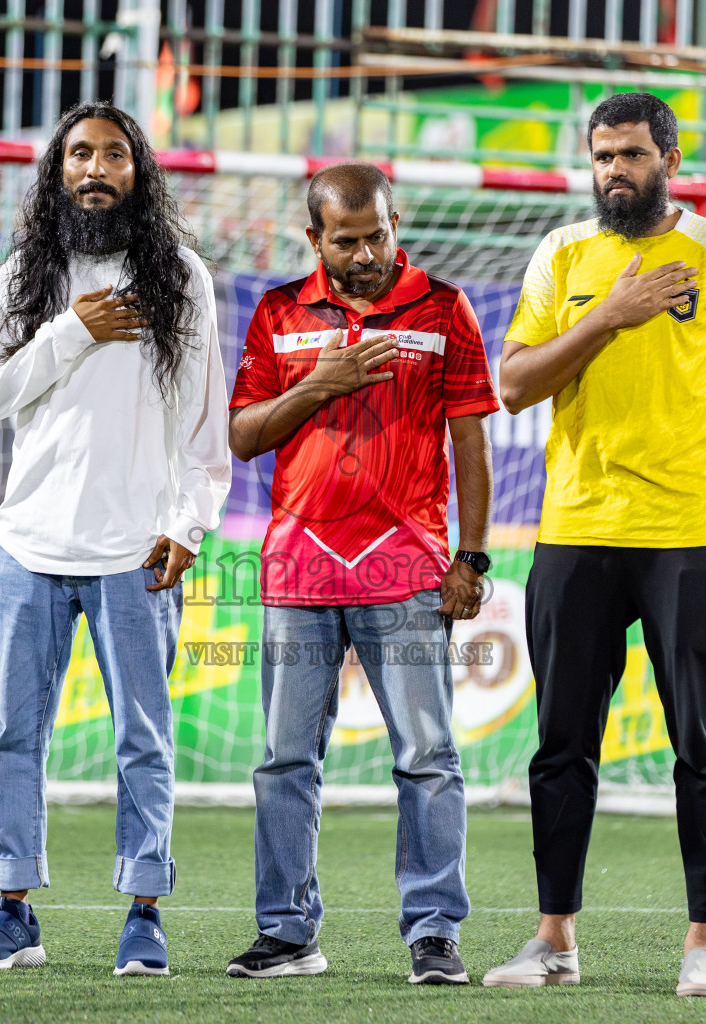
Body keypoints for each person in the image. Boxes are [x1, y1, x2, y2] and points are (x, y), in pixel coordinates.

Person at [484, 92, 706, 997]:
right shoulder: (563, 256)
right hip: (574, 530)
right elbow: (513, 385)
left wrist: (689, 452)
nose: (614, 171)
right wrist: (607, 316)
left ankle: (704, 946)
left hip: (685, 535)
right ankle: (554, 941)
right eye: (601, 157)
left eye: (630, 154)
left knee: (703, 742)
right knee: (560, 743)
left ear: (668, 156)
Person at [0, 102, 230, 976]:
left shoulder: (180, 276)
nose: (96, 168)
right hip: (29, 544)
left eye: (115, 154)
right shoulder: (25, 275)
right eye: (80, 153)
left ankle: (144, 913)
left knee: (142, 738)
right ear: (57, 170)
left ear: (140, 172)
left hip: (135, 551)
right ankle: (13, 911)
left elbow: (204, 422)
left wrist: (187, 524)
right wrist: (73, 330)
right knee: (12, 737)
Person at [222, 163, 500, 985]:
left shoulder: (444, 308)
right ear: (316, 239)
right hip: (298, 569)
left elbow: (471, 444)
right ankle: (287, 933)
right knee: (283, 759)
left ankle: (434, 932)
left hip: (408, 569)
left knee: (427, 756)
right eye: (347, 240)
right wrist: (320, 383)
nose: (367, 252)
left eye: (378, 233)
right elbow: (243, 437)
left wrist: (471, 559)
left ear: (394, 221)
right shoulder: (279, 312)